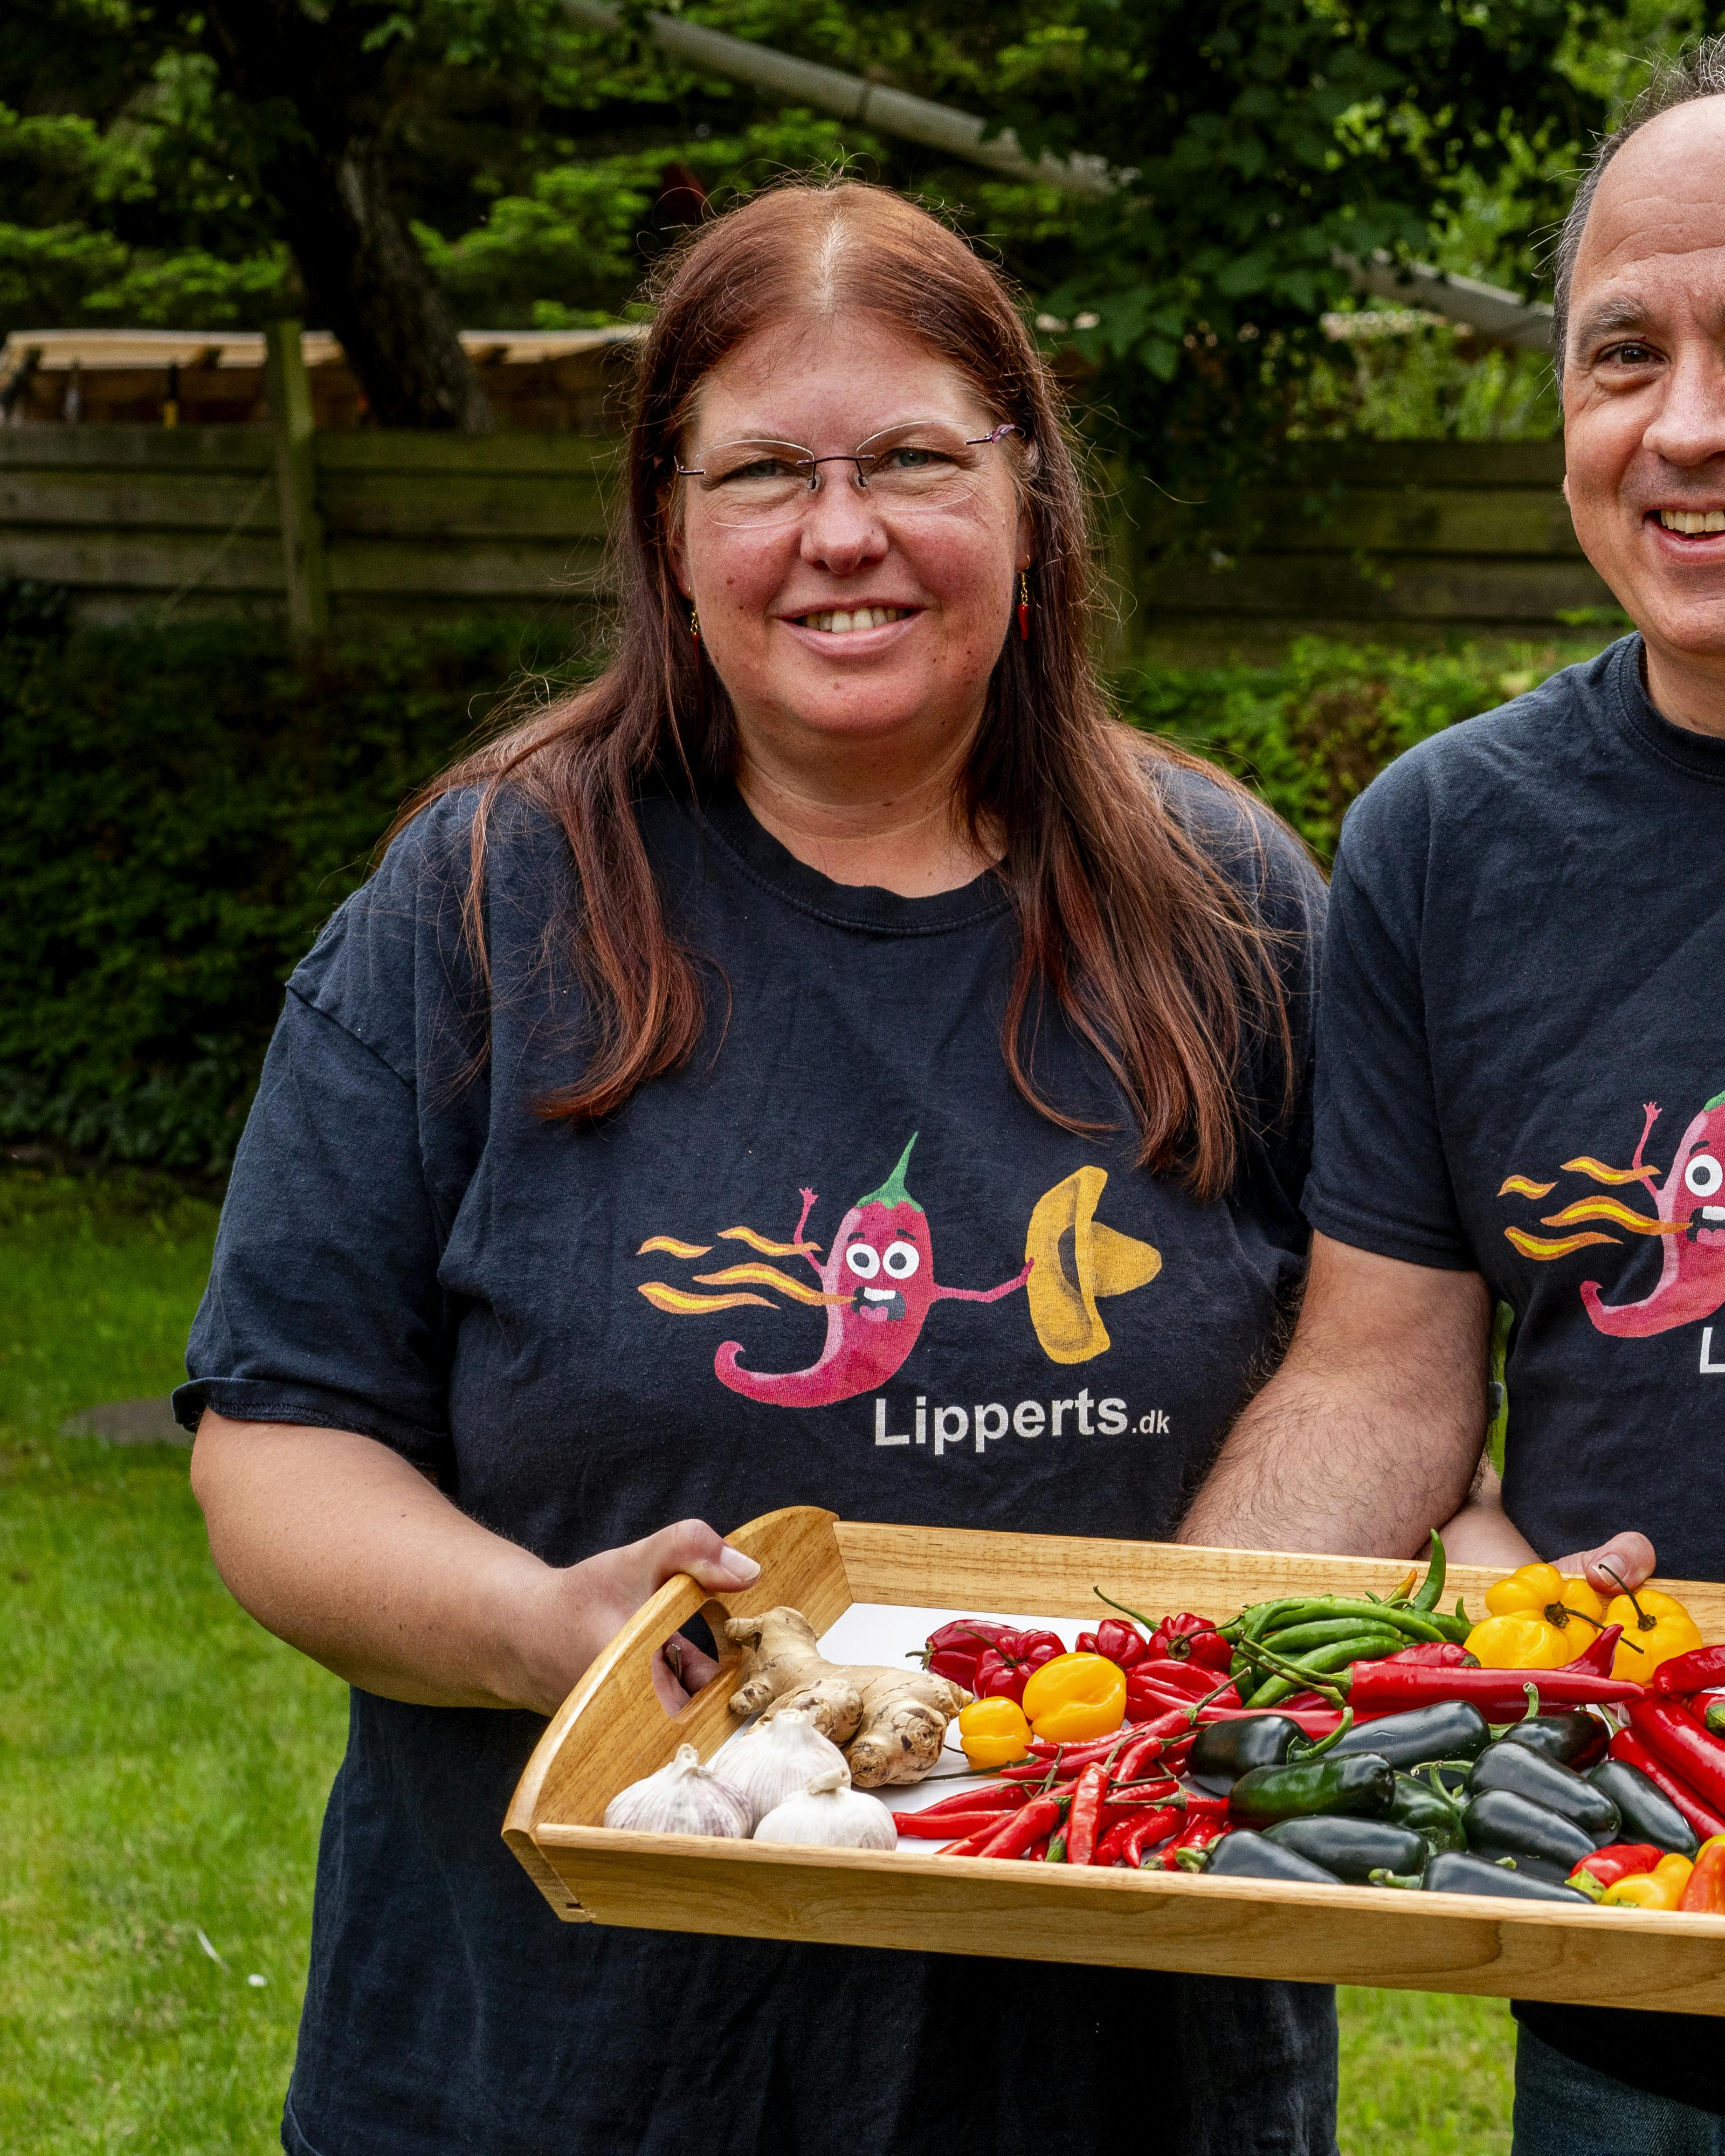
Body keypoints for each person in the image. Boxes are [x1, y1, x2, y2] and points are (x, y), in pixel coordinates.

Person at [180, 181, 1337, 2156]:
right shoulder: (488, 897)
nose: (841, 532)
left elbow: (1382, 1374)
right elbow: (278, 1444)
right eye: (764, 473)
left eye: (913, 459)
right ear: (668, 531)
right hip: (572, 2060)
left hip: (1117, 2049)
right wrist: (541, 1630)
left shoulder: (1224, 902)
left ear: (1033, 499)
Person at [1179, 41, 1725, 2152]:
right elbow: (1383, 1377)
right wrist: (1177, 1681)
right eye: (1624, 353)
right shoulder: (1447, 840)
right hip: (1626, 1951)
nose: (1687, 425)